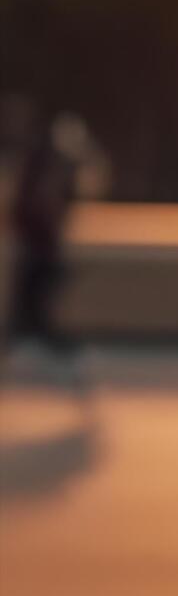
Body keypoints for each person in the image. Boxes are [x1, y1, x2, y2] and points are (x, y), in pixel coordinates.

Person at [2, 104, 94, 396]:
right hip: (40, 247)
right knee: (29, 315)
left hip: (40, 248)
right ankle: (67, 356)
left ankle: (67, 356)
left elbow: (37, 204)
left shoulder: (42, 158)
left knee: (30, 314)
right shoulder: (46, 159)